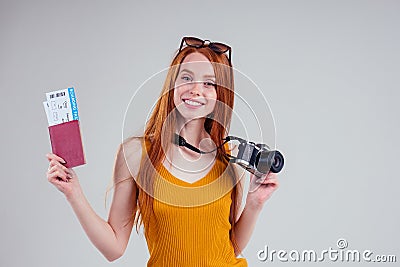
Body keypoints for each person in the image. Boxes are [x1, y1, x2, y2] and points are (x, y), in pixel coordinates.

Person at [46, 36, 279, 266]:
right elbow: (114, 248)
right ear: (172, 85)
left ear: (220, 94)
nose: (196, 90)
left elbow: (229, 247)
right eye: (187, 78)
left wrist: (254, 203)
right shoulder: (137, 153)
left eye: (209, 83)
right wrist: (73, 193)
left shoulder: (228, 154)